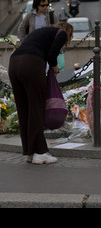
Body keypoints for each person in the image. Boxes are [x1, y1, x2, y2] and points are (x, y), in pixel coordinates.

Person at [8, 22, 73, 165]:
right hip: (31, 64)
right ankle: (40, 153)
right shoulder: (61, 34)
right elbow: (52, 55)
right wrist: (55, 69)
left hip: (14, 63)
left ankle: (30, 152)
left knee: (24, 109)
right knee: (36, 108)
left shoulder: (41, 32)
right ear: (68, 33)